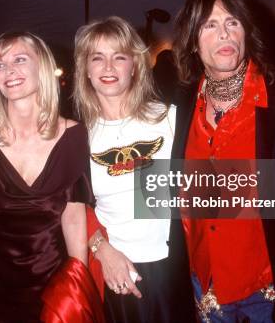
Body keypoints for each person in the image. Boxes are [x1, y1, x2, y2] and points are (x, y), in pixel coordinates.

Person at [171, 0, 275, 321]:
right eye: (210, 25)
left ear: (246, 30)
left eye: (233, 22)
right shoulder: (181, 105)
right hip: (206, 284)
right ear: (192, 40)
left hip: (269, 285)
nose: (224, 33)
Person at [0, 32, 95, 323]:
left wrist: (78, 289)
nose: (8, 70)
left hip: (51, 286)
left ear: (43, 67)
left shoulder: (74, 135)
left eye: (20, 60)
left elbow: (74, 216)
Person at [73, 16, 194, 322]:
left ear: (136, 65)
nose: (108, 67)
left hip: (174, 270)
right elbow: (67, 207)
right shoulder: (75, 137)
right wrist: (102, 250)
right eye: (97, 58)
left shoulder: (171, 119)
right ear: (85, 69)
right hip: (114, 270)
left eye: (119, 56)